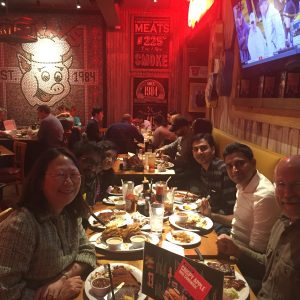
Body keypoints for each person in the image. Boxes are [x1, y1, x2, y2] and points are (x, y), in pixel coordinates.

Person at [0, 148, 96, 299]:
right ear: (39, 181)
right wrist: (55, 296)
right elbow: (5, 290)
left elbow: (87, 251)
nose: (69, 182)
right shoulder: (21, 225)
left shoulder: (69, 212)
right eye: (60, 175)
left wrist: (63, 278)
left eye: (74, 174)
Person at [216, 155, 300, 299]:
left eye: (298, 184)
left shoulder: (264, 196)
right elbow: (268, 265)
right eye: (281, 184)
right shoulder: (283, 221)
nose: (287, 193)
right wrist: (236, 249)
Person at [200, 142, 281, 254]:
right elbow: (237, 221)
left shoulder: (264, 196)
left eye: (240, 163)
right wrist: (211, 215)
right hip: (231, 238)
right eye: (229, 166)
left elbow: (258, 250)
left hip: (244, 256)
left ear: (253, 163)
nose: (235, 170)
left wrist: (231, 246)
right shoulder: (242, 183)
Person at [186, 134, 237, 235]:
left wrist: (210, 215)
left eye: (203, 148)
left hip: (224, 225)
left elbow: (231, 210)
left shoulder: (223, 170)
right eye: (195, 149)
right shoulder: (204, 168)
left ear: (213, 150)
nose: (199, 152)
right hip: (210, 215)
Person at [73, 139, 103, 206]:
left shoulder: (94, 180)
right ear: (75, 159)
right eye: (88, 161)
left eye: (96, 163)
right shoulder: (69, 184)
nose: (92, 167)